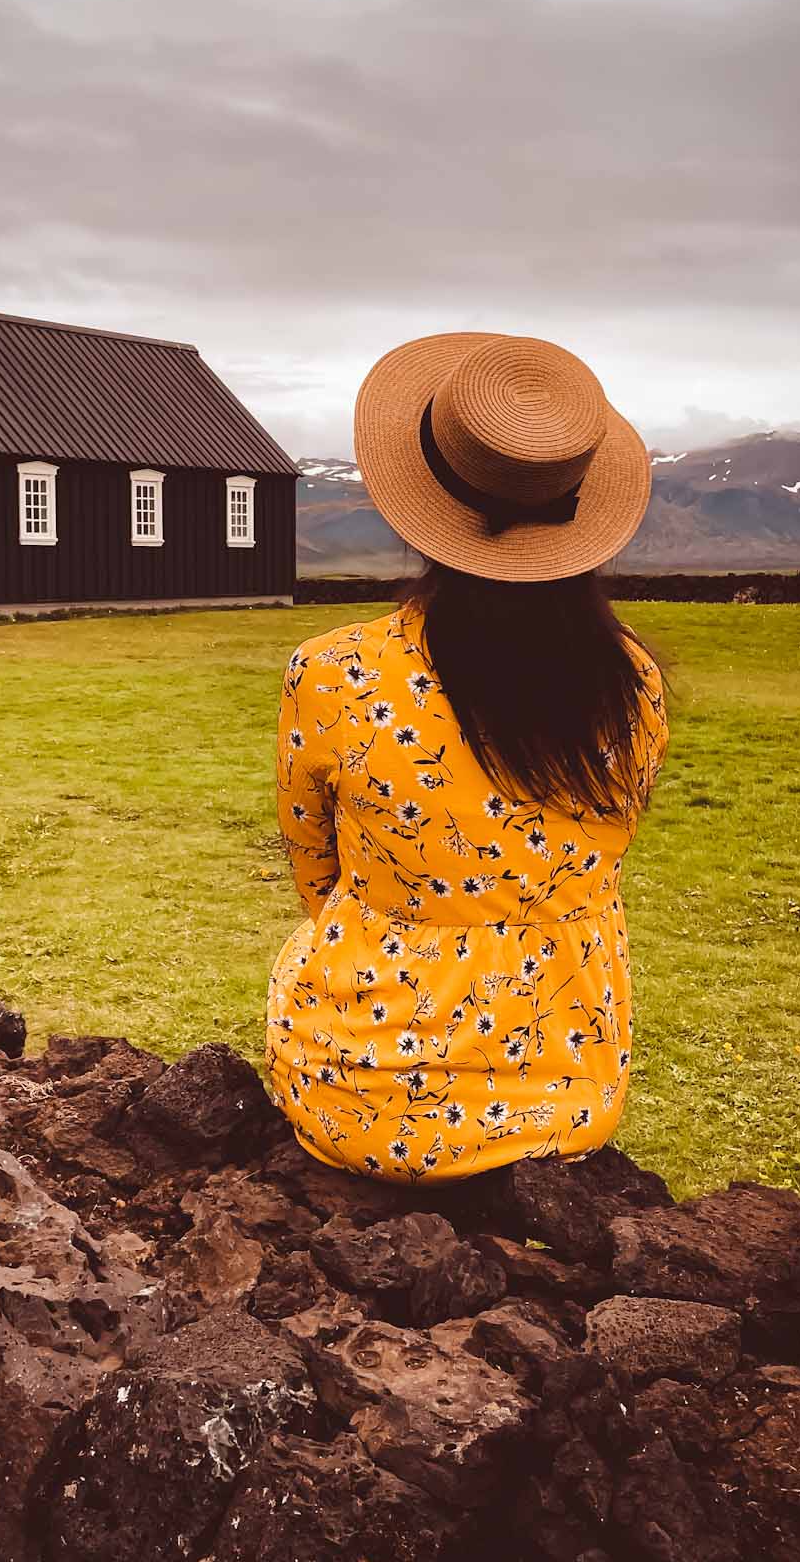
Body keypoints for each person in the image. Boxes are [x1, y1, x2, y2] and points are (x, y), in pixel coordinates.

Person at [265, 331, 668, 1181]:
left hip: (361, 1100)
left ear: (422, 501)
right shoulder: (631, 681)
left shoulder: (336, 671)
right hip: (570, 1096)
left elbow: (317, 874)